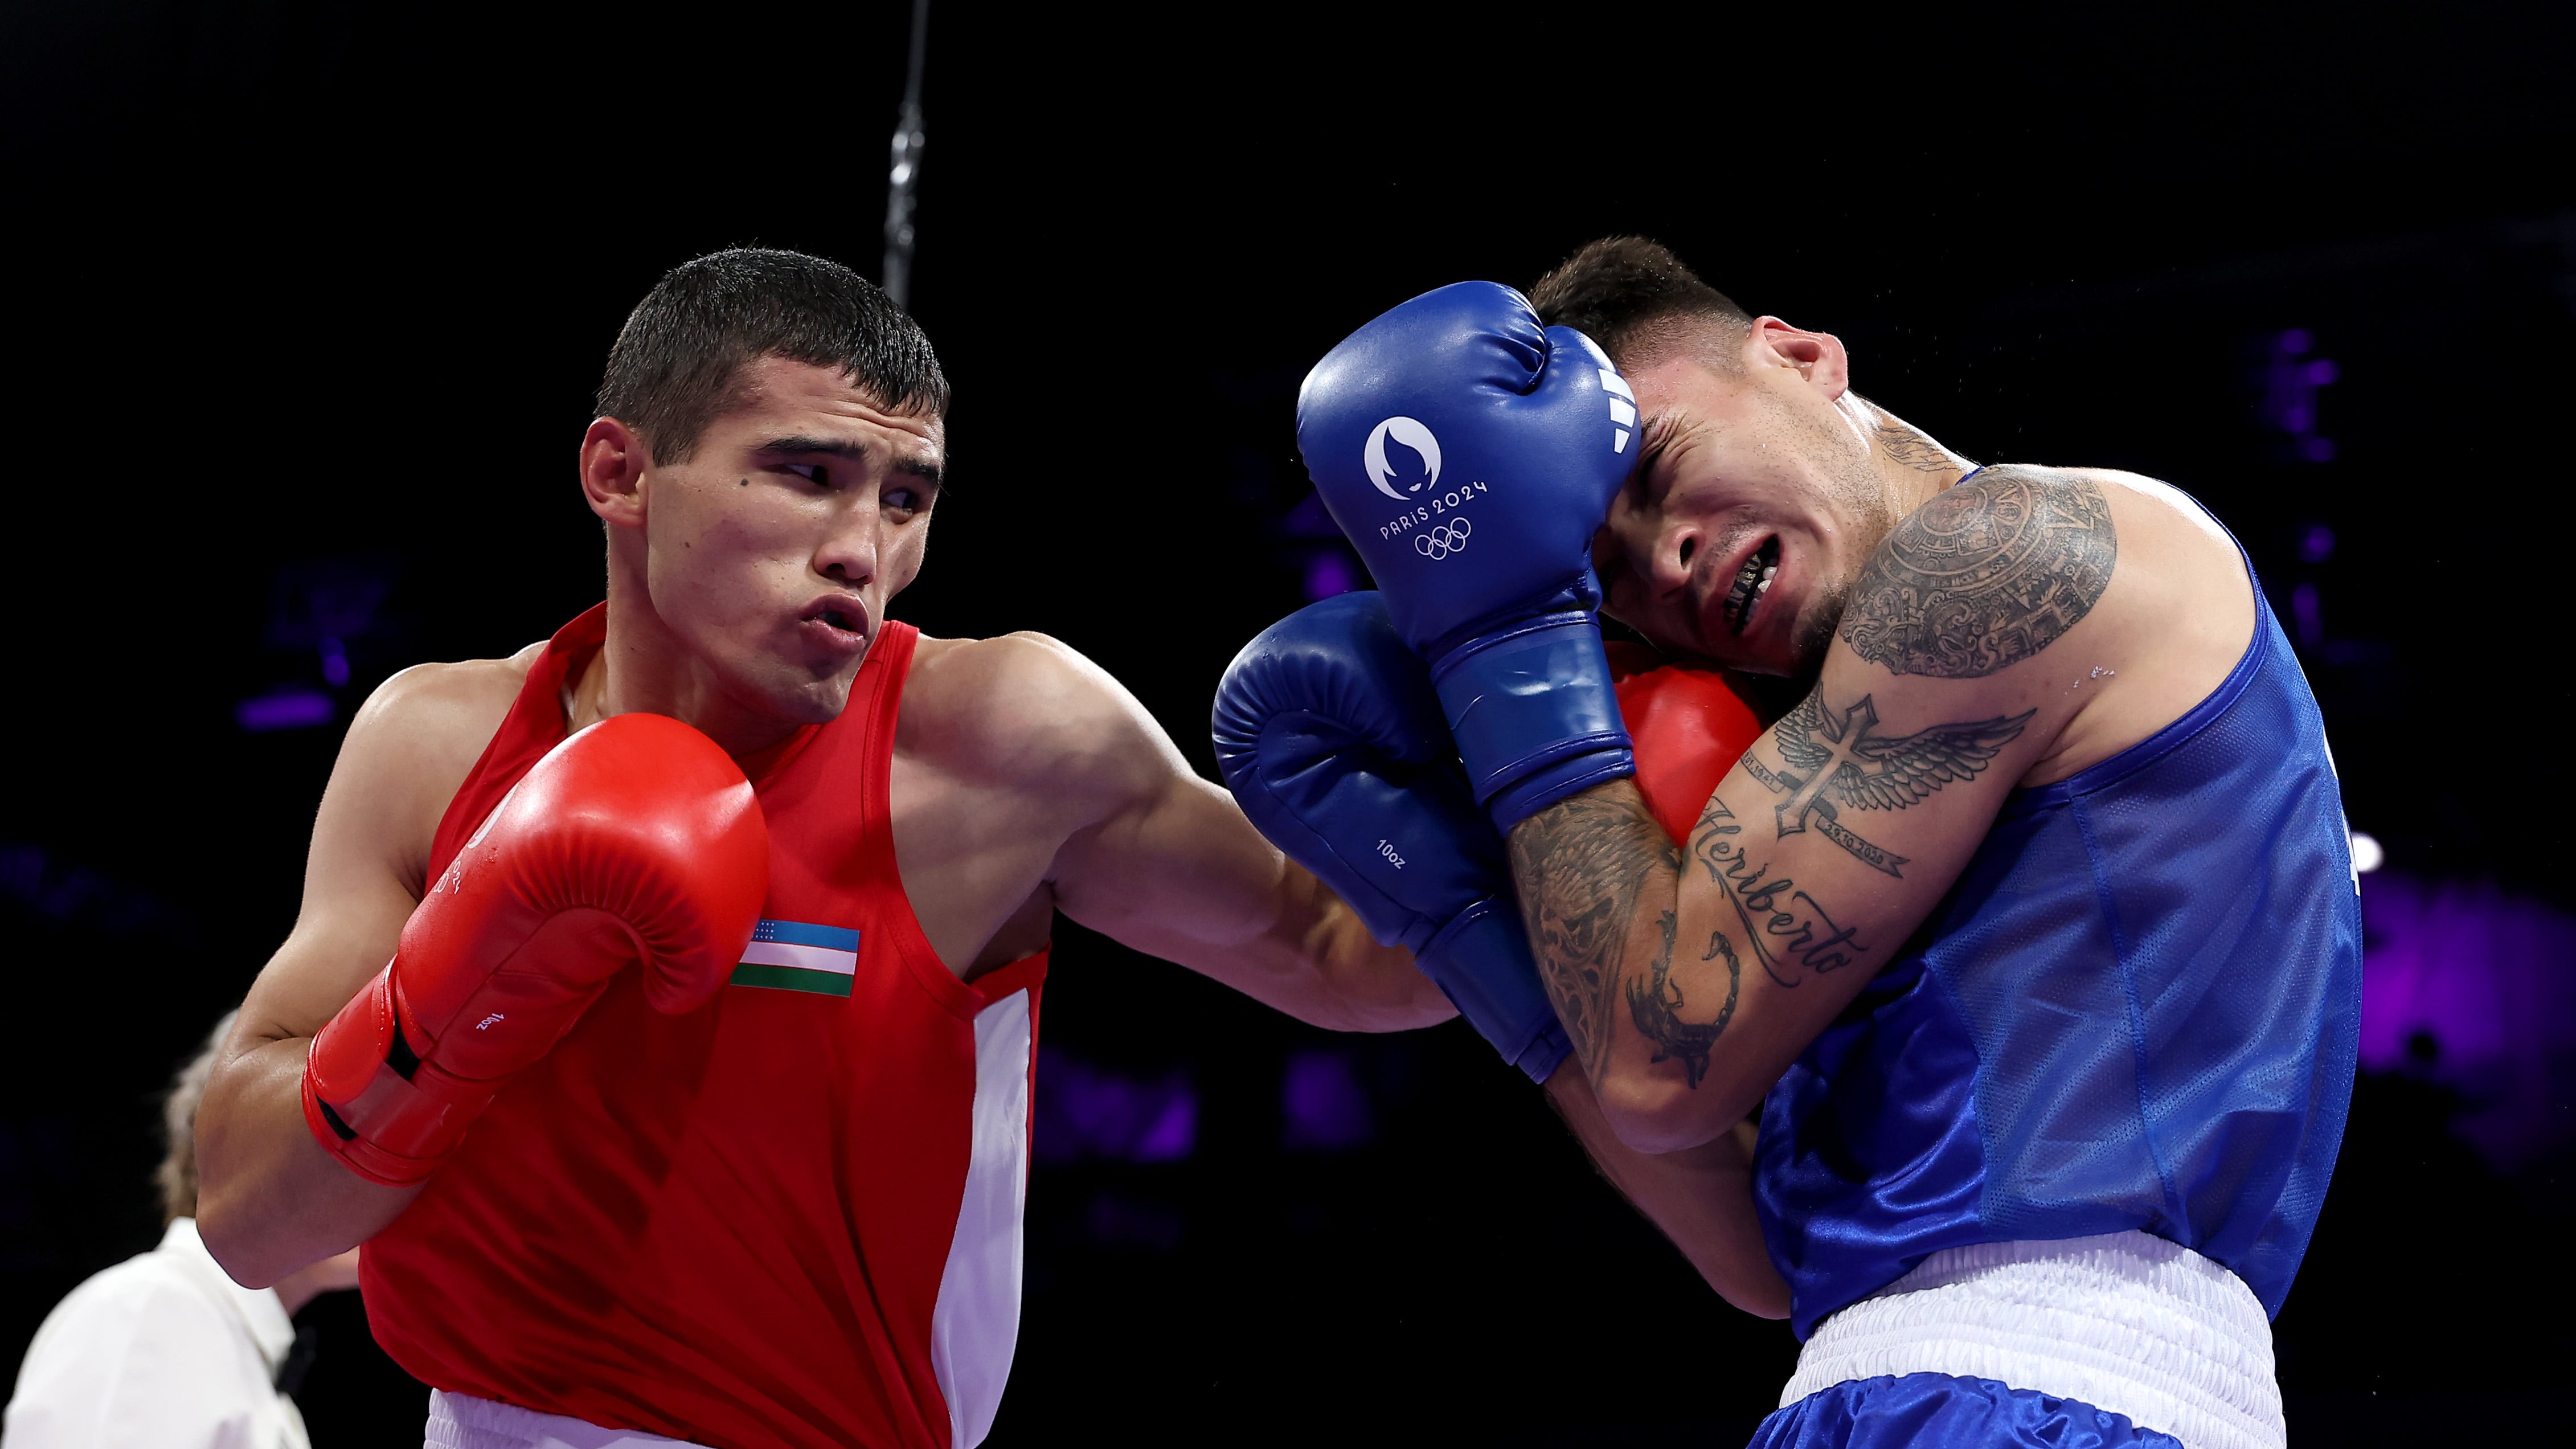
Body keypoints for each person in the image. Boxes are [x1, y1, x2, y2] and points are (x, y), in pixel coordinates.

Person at [189, 248, 1774, 1449]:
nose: (860, 547)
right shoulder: (439, 741)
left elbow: (1344, 959)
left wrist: (1567, 730)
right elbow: (253, 1221)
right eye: (805, 473)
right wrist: (458, 985)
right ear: (620, 473)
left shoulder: (996, 732)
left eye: (906, 495)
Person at [1256, 243, 2360, 1449]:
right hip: (1903, 1383)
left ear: (1798, 355)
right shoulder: (1832, 784)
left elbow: (1653, 1067)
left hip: (2028, 1389)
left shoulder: (2018, 552)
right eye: (1600, 577)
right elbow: (1762, 1259)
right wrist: (1467, 917)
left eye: (1656, 468)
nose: (1660, 560)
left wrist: (1498, 636)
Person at [5, 1013, 361, 1449]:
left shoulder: (202, 1332)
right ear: (250, 1150)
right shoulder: (151, 1311)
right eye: (351, 1132)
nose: (390, 1172)